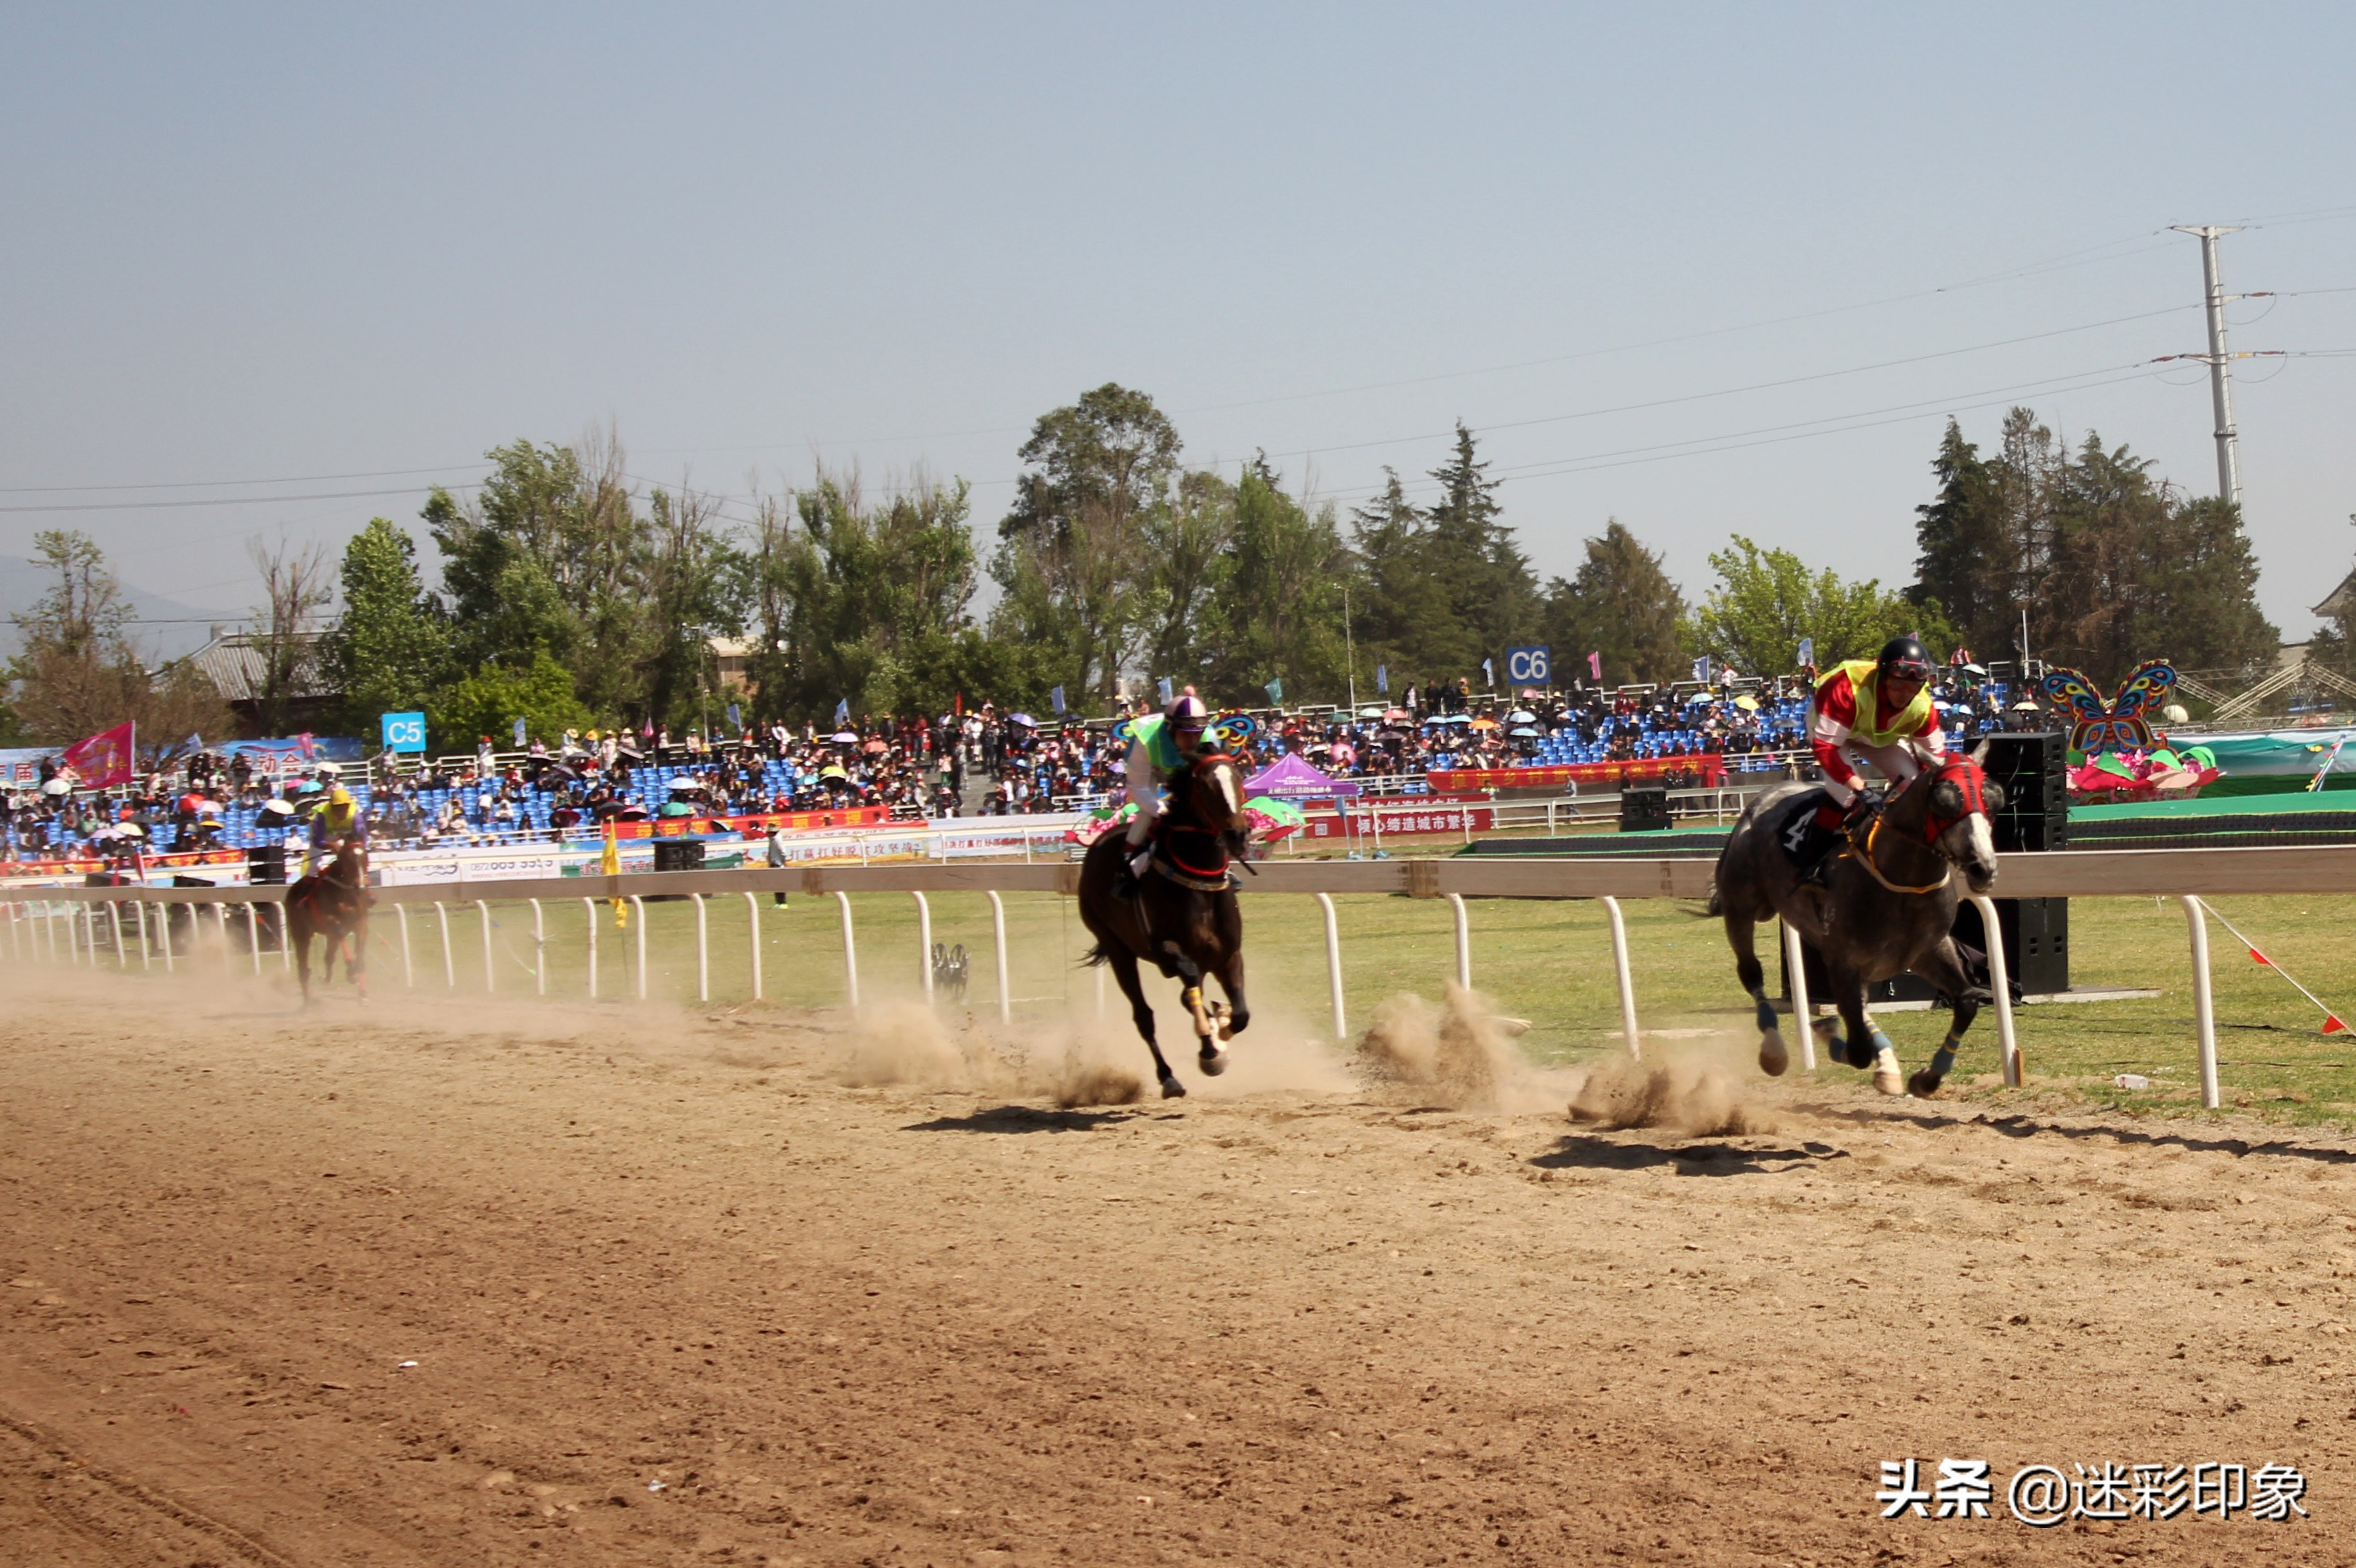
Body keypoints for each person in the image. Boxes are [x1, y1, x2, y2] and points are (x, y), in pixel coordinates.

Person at [1786, 635, 1945, 882]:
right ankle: (1811, 862)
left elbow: (1936, 763)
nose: (1904, 695)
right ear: (1882, 676)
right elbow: (1825, 749)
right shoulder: (1848, 688)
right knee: (1849, 797)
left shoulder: (1924, 708)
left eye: (1913, 687)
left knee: (1918, 788)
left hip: (1877, 736)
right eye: (1897, 685)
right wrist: (1859, 787)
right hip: (1832, 731)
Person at [1116, 687, 1211, 893]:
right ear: (1170, 729)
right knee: (1147, 813)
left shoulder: (1210, 739)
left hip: (1186, 772)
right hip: (1152, 771)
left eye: (1197, 734)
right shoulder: (1145, 740)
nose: (1193, 742)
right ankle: (1127, 862)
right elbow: (1138, 788)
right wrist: (1162, 811)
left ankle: (1224, 866)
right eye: (1185, 735)